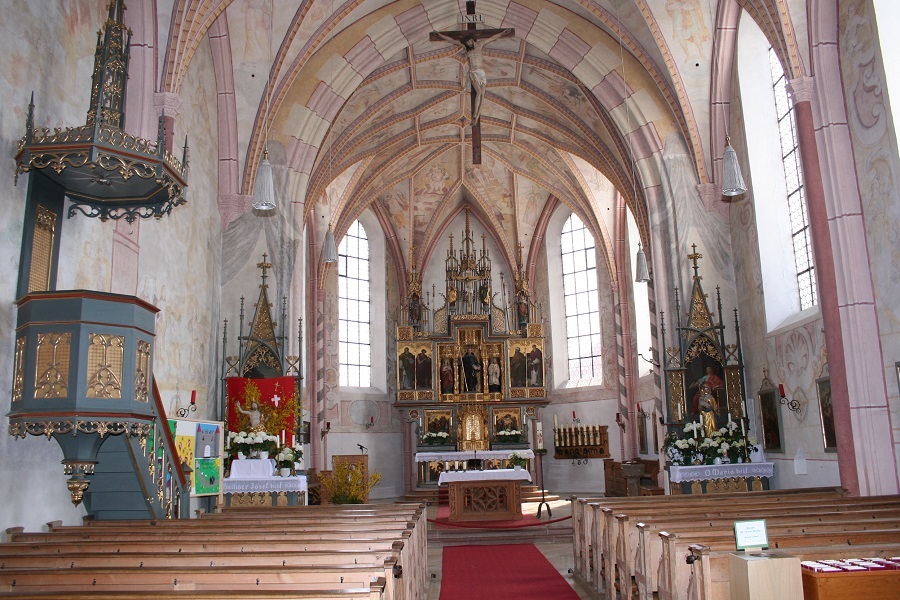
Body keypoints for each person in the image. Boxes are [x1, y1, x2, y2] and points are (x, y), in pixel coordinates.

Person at [433, 29, 512, 124]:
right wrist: (440, 35)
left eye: (469, 41)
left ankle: (477, 116)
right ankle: (474, 115)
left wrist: (502, 33)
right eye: (467, 43)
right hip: (473, 72)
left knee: (483, 95)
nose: (468, 43)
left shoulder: (480, 45)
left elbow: (492, 38)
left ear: (472, 39)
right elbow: (452, 40)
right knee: (479, 92)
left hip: (481, 72)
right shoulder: (466, 48)